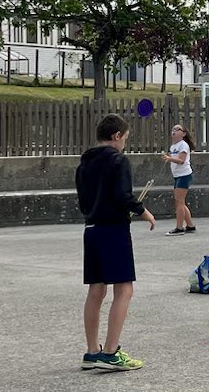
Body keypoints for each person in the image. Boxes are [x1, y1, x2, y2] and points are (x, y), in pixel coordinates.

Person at [76, 113, 156, 371]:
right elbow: (124, 195)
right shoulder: (118, 160)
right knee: (124, 289)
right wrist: (143, 211)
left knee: (96, 290)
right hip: (113, 229)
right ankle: (111, 352)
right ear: (116, 135)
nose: (125, 144)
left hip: (91, 229)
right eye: (125, 138)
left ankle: (92, 351)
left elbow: (83, 200)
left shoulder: (84, 163)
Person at [162, 124, 197, 236]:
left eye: (177, 129)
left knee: (179, 202)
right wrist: (169, 157)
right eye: (173, 129)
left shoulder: (183, 145)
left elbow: (181, 160)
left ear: (183, 134)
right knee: (180, 201)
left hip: (184, 175)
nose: (174, 131)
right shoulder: (173, 146)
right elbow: (175, 158)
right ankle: (190, 225)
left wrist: (169, 158)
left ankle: (179, 227)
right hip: (177, 175)